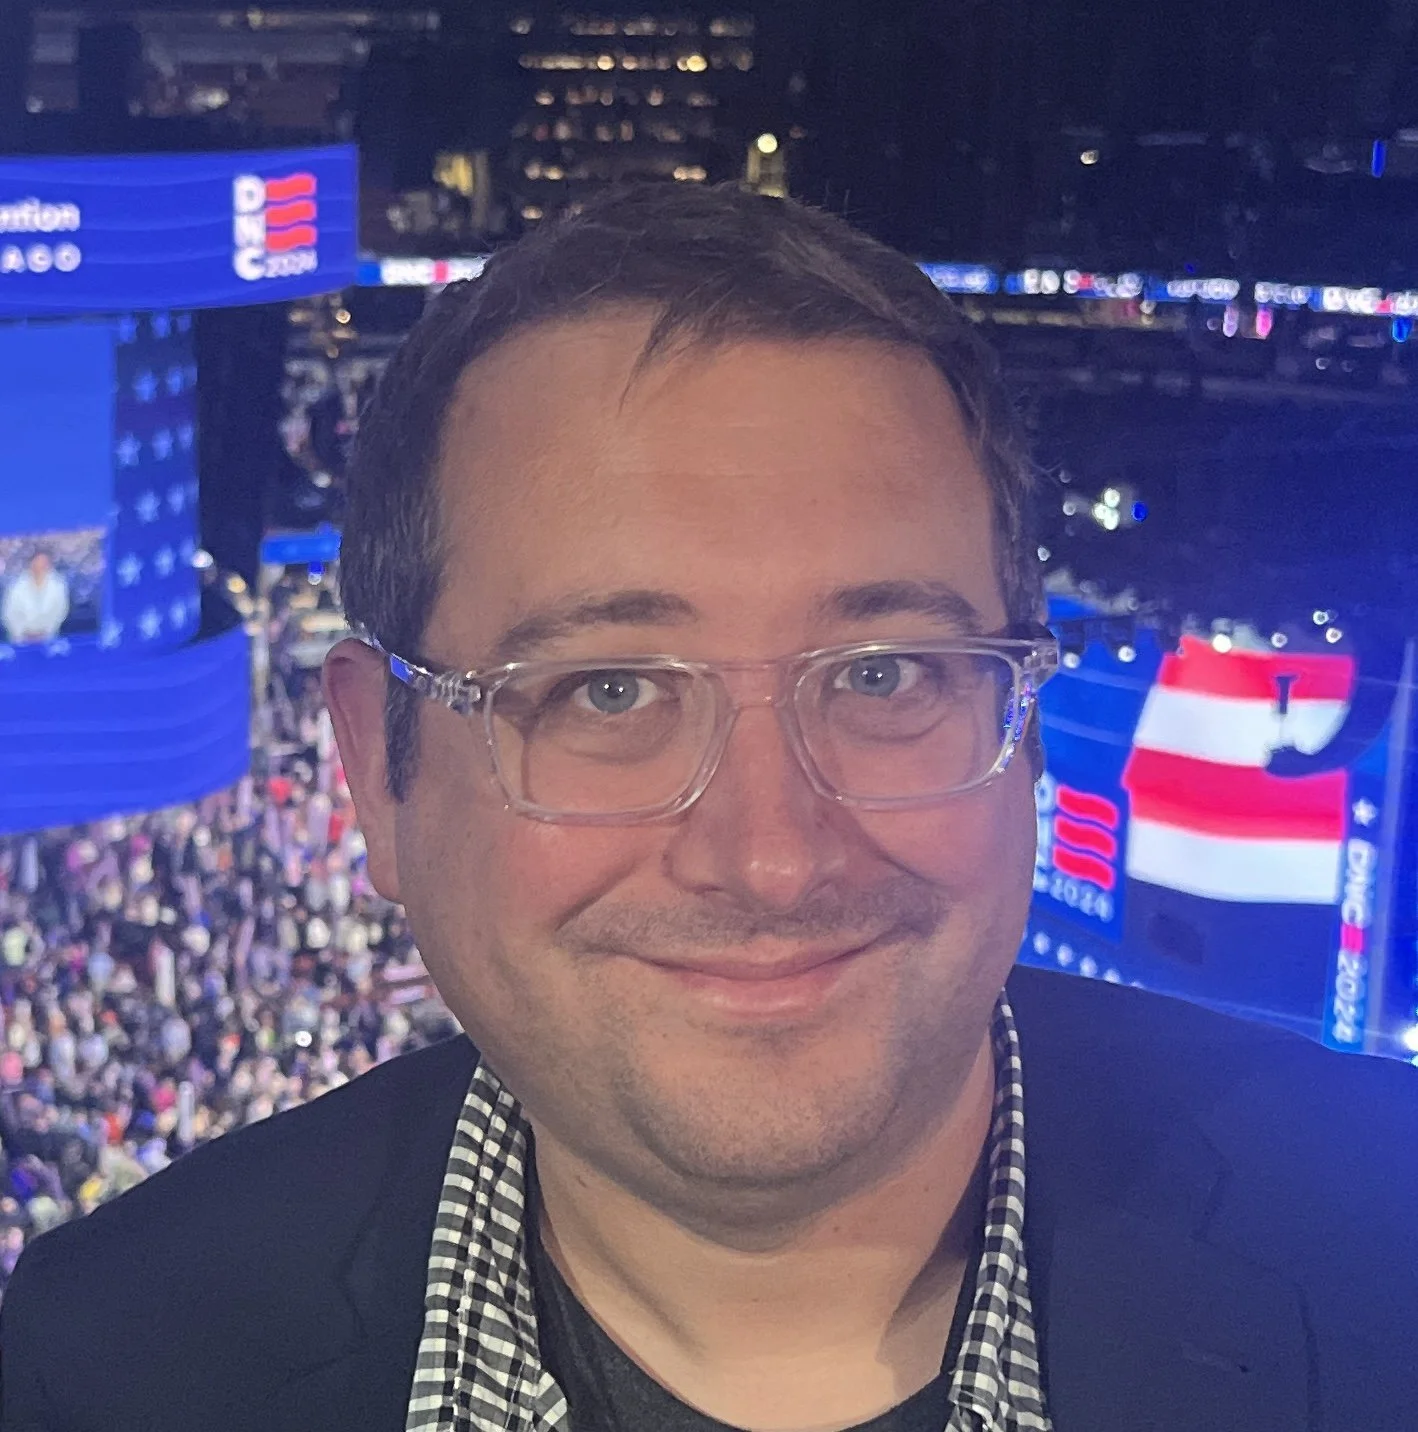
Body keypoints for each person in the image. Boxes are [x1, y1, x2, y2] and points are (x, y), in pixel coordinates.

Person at [3, 184, 1416, 1432]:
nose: (772, 854)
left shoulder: (1385, 1252)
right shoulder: (101, 1369)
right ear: (380, 768)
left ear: (1022, 726)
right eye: (606, 692)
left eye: (883, 673)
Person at [0, 550, 69, 646]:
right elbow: (8, 613)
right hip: (21, 639)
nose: (41, 565)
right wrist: (23, 633)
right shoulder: (16, 586)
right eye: (38, 561)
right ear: (31, 563)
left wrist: (45, 633)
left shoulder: (58, 585)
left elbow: (60, 611)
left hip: (48, 638)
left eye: (44, 562)